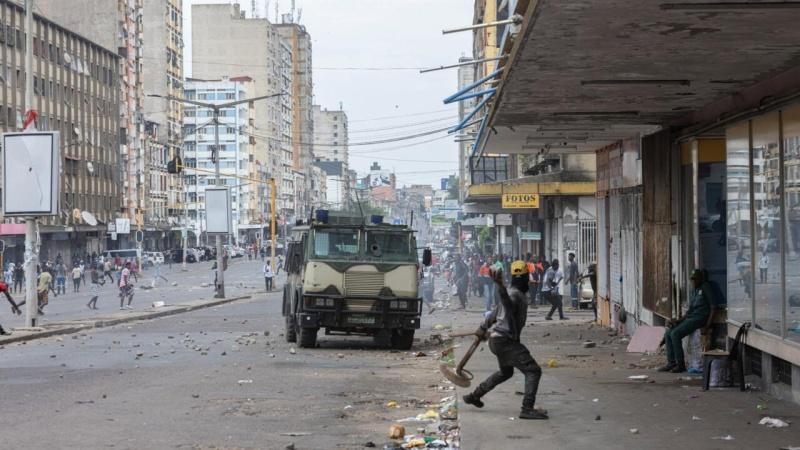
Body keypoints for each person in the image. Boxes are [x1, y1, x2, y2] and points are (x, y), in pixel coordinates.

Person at [462, 261, 547, 420]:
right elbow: (508, 305)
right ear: (525, 278)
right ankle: (527, 408)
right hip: (505, 341)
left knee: (506, 372)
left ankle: (475, 395)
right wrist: (500, 287)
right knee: (533, 371)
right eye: (526, 278)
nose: (528, 281)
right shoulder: (514, 295)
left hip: (497, 340)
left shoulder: (511, 291)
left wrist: (483, 326)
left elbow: (494, 313)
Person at [659, 269, 719, 373]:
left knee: (675, 334)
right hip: (691, 318)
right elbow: (689, 312)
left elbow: (714, 307)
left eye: (695, 279)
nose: (693, 281)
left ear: (700, 279)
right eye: (692, 279)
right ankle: (671, 362)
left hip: (700, 318)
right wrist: (677, 321)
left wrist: (708, 325)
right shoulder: (694, 291)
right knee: (669, 332)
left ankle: (680, 364)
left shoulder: (706, 287)